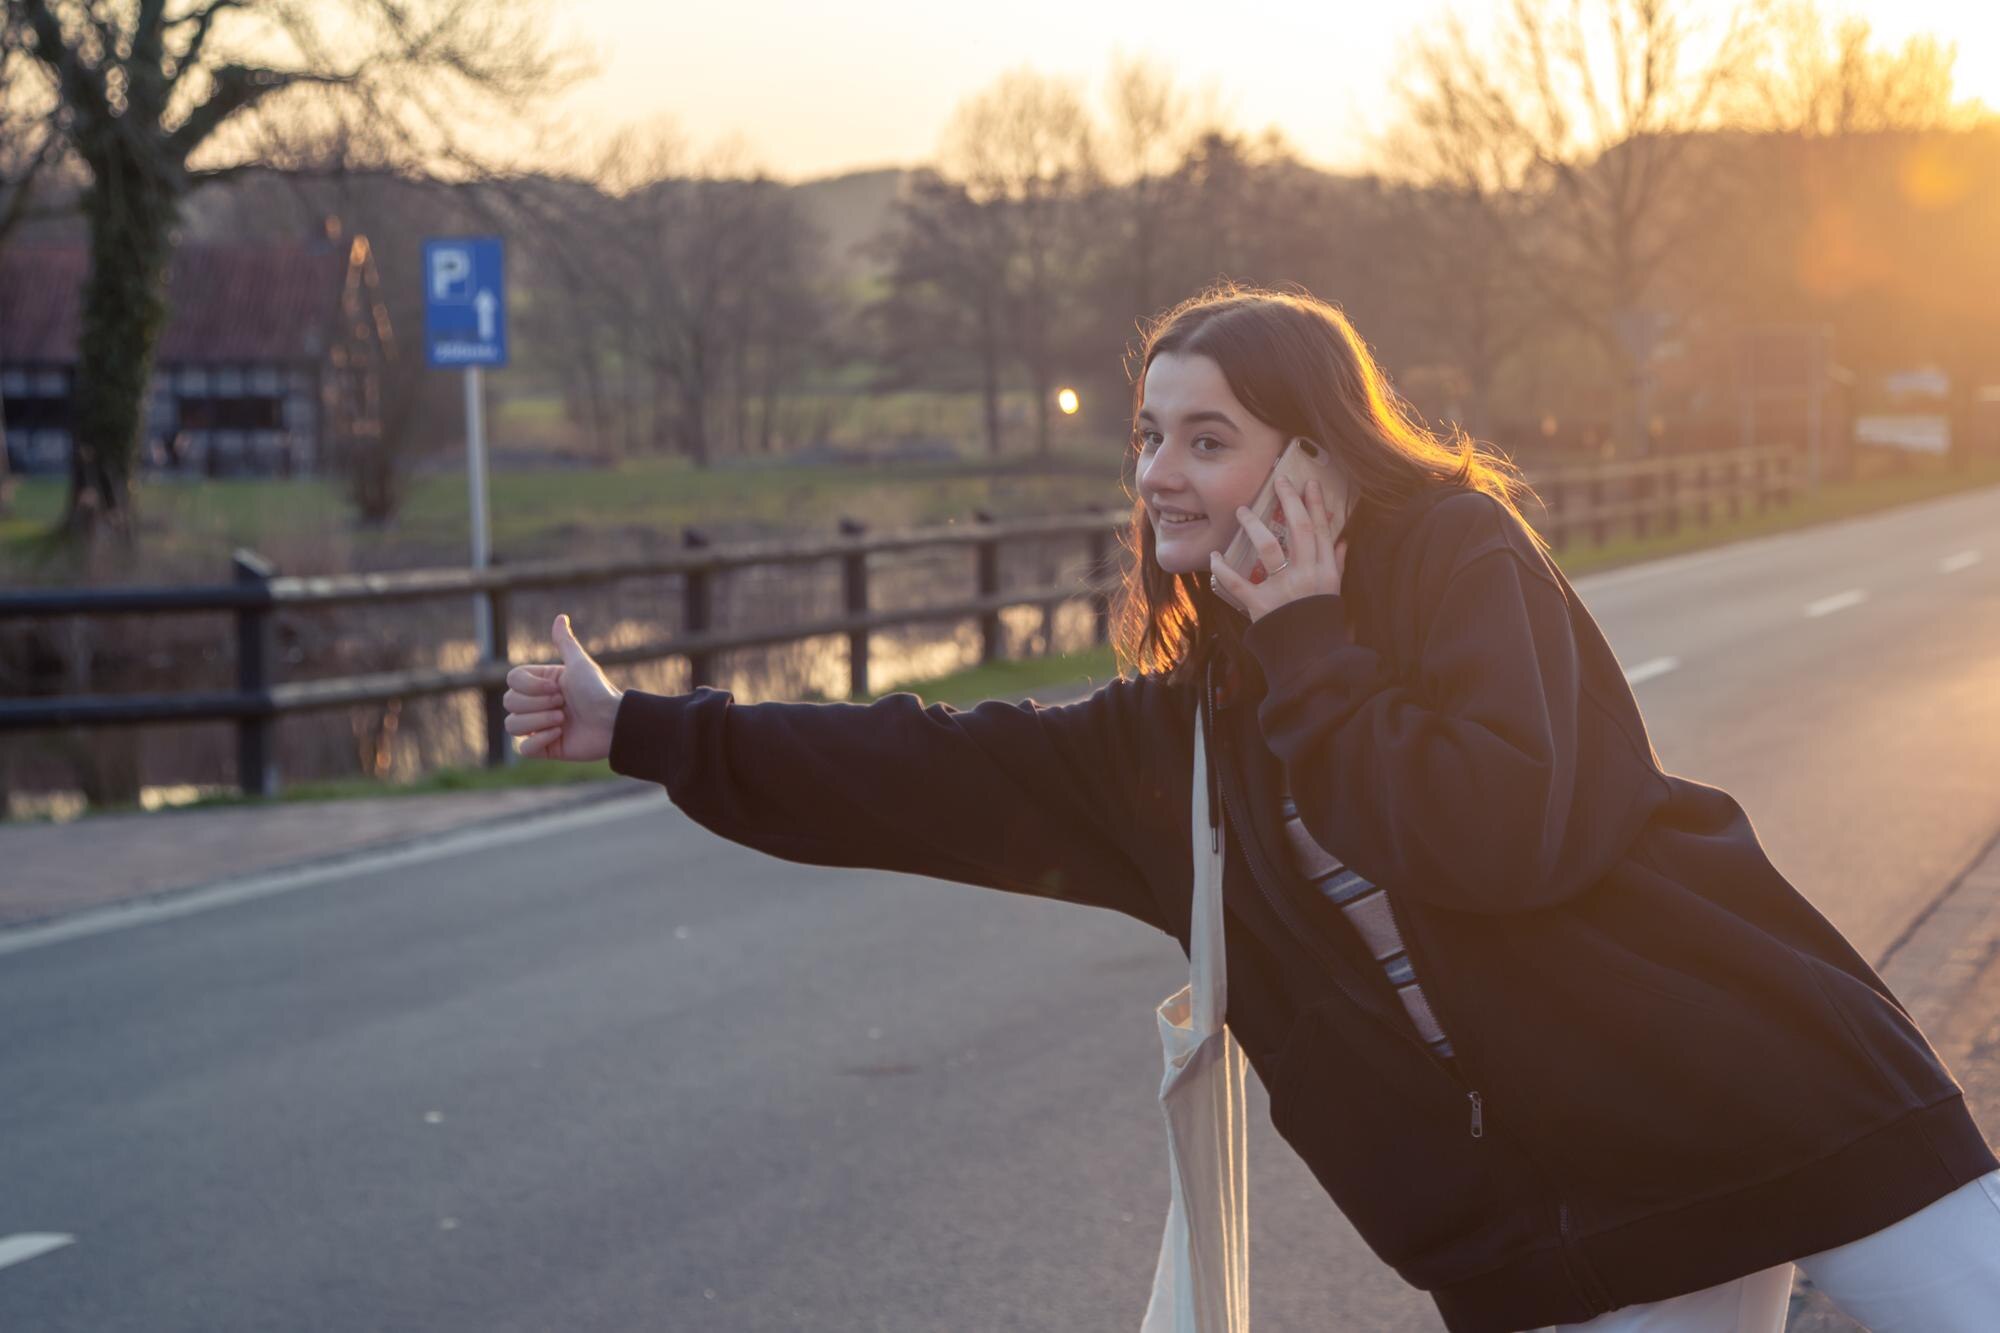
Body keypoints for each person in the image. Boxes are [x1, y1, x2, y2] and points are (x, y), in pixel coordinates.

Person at [501, 283, 2000, 1333]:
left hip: (1779, 1095)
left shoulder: (1457, 560)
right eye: (1149, 435)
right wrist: (642, 728)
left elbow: (1499, 832)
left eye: (1205, 438)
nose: (1158, 472)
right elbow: (922, 767)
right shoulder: (1183, 738)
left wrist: (1308, 636)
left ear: (1318, 454)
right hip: (1587, 1226)